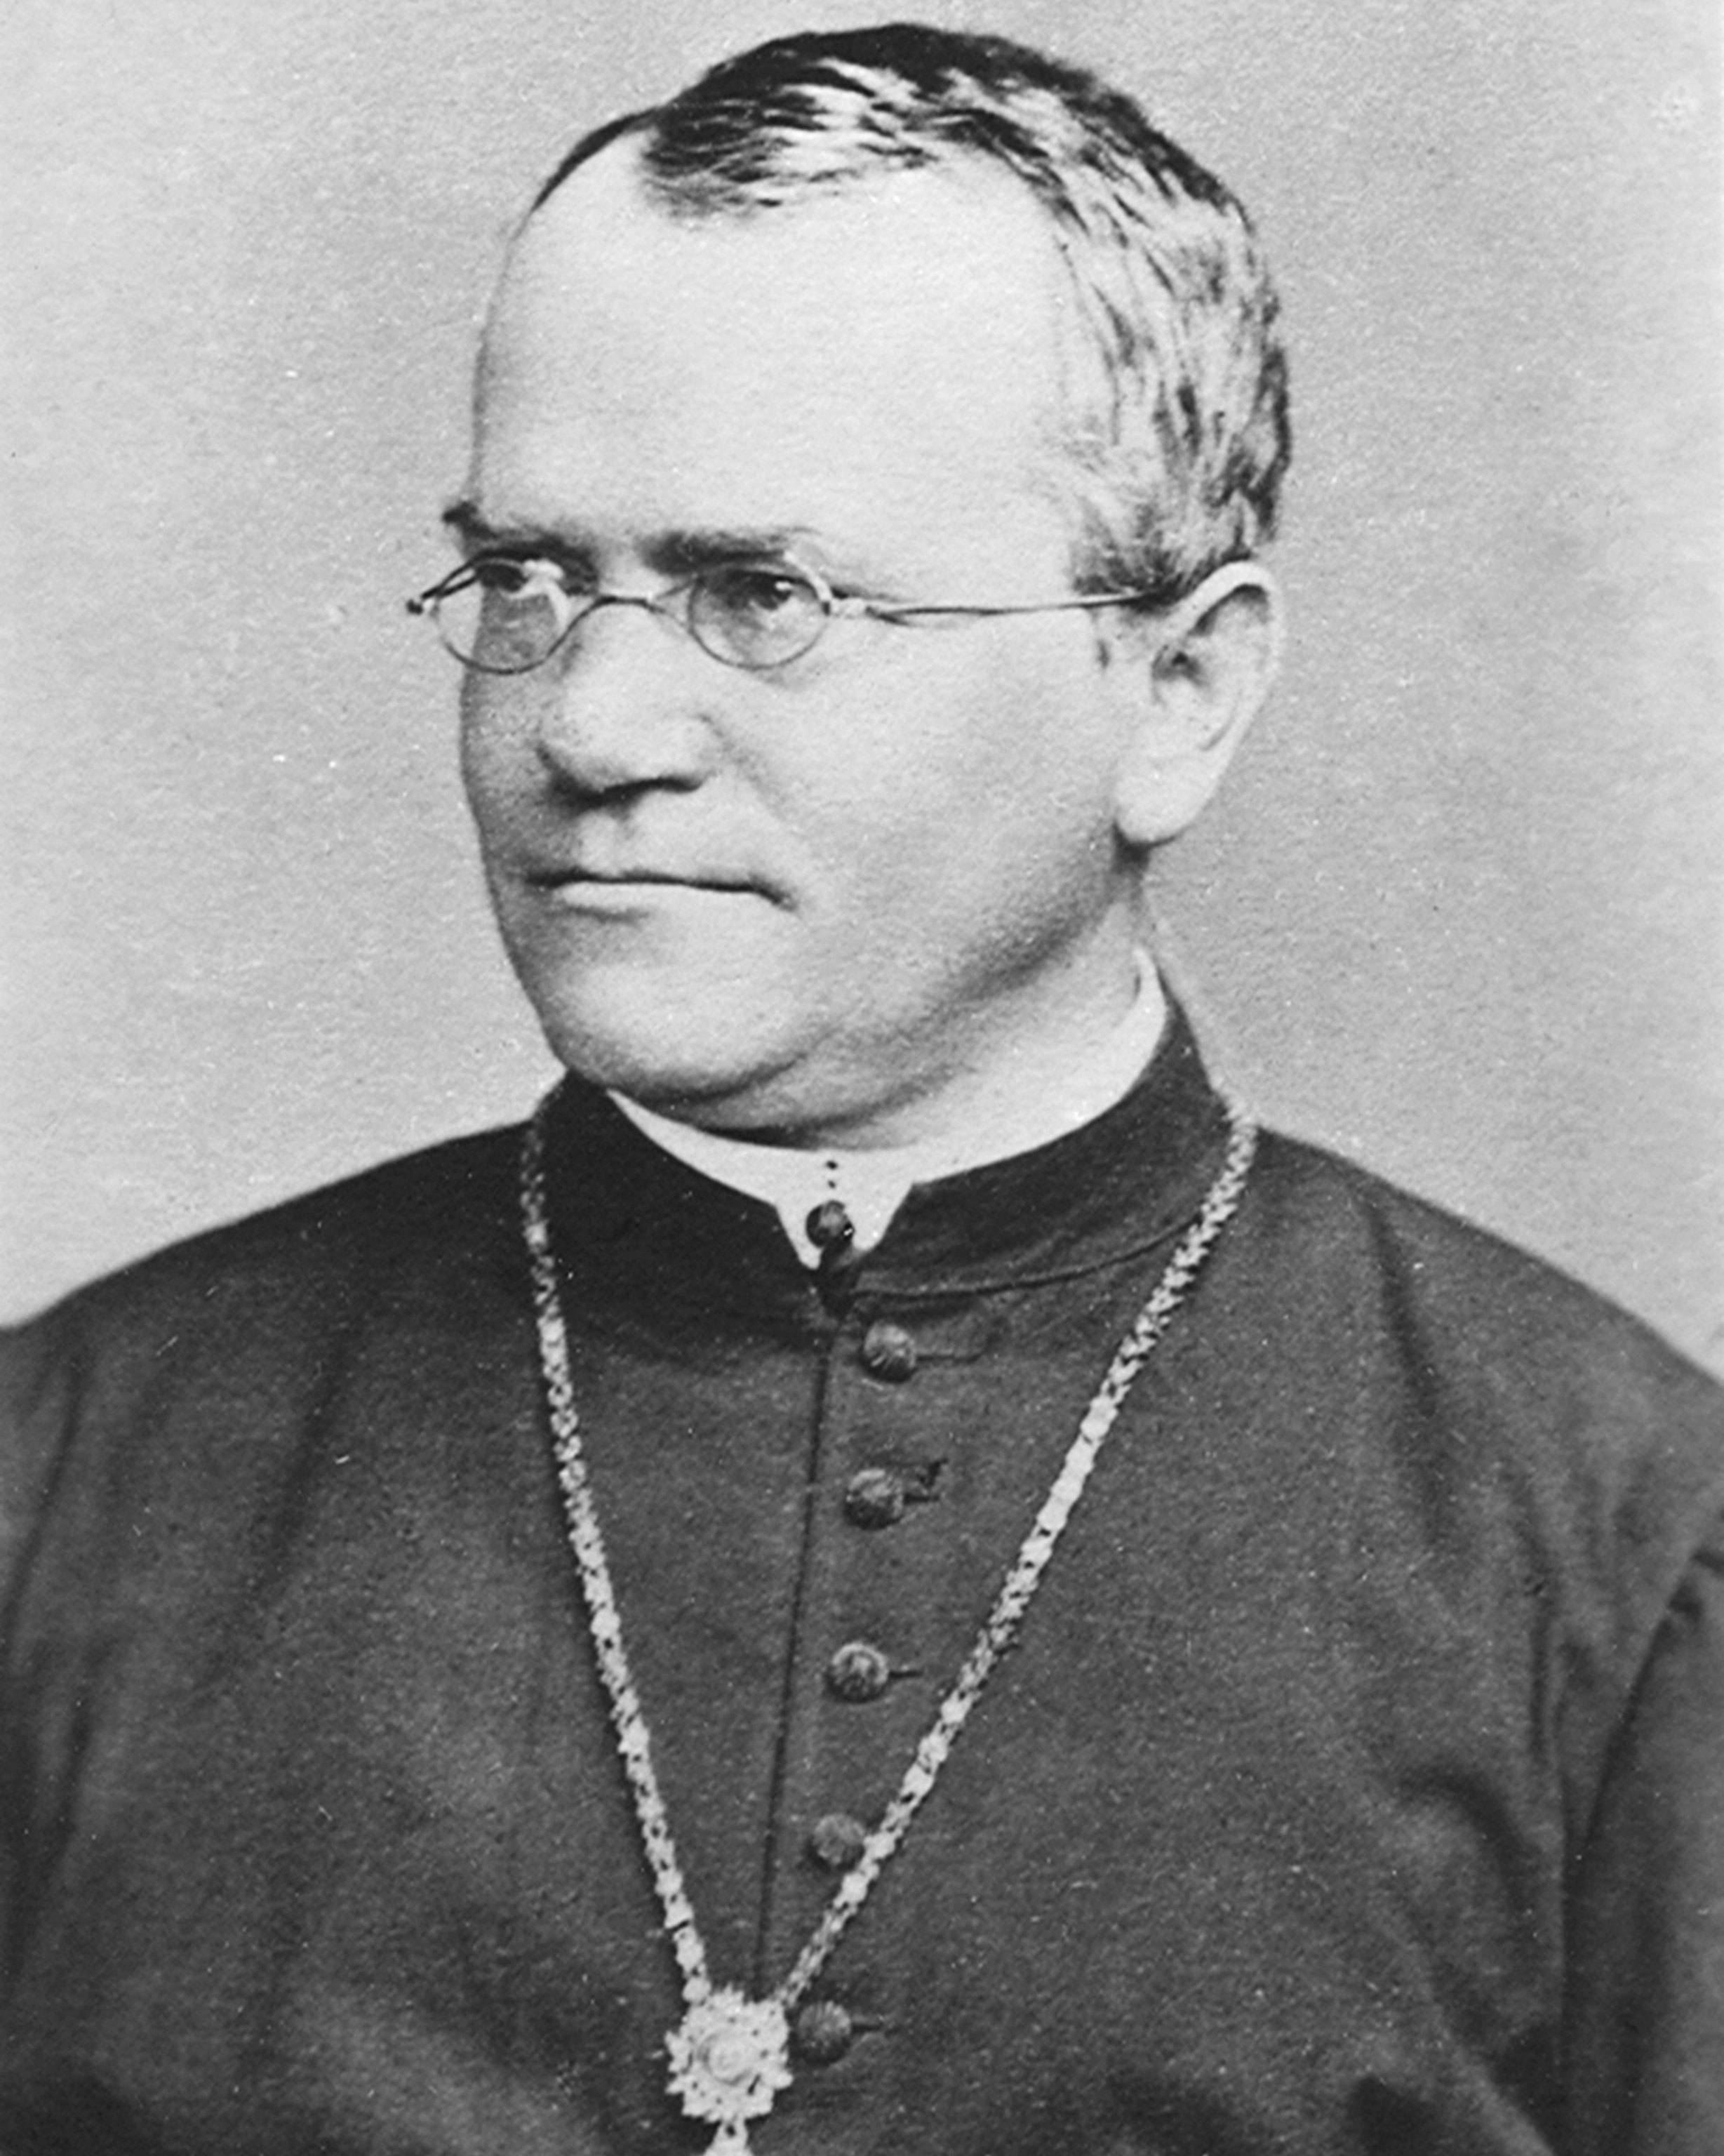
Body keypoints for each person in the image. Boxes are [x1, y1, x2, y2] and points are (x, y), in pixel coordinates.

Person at [1, 22, 1719, 2156]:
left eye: (764, 596)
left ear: (1176, 689)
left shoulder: (1616, 1550)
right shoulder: (64, 1475)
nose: (593, 719)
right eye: (529, 579)